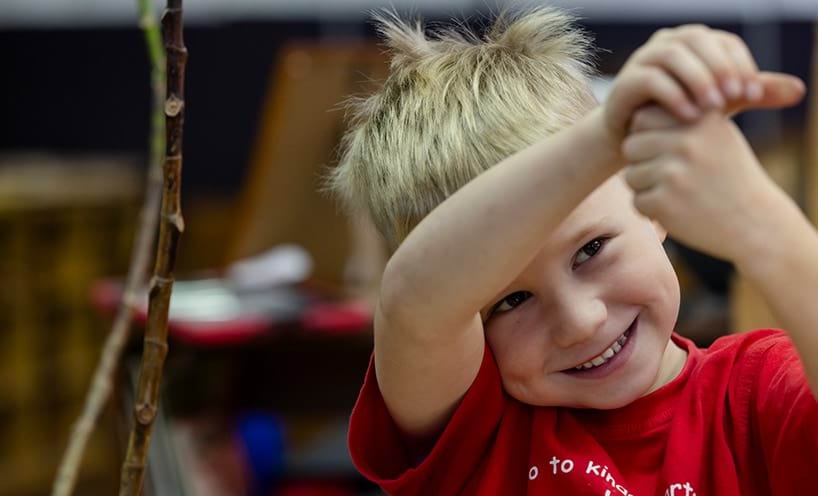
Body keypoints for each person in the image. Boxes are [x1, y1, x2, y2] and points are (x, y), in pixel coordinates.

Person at [327, 7, 816, 495]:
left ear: (650, 206)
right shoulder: (470, 430)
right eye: (510, 301)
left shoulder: (755, 393)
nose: (580, 321)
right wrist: (610, 136)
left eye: (591, 249)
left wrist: (762, 226)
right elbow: (415, 298)